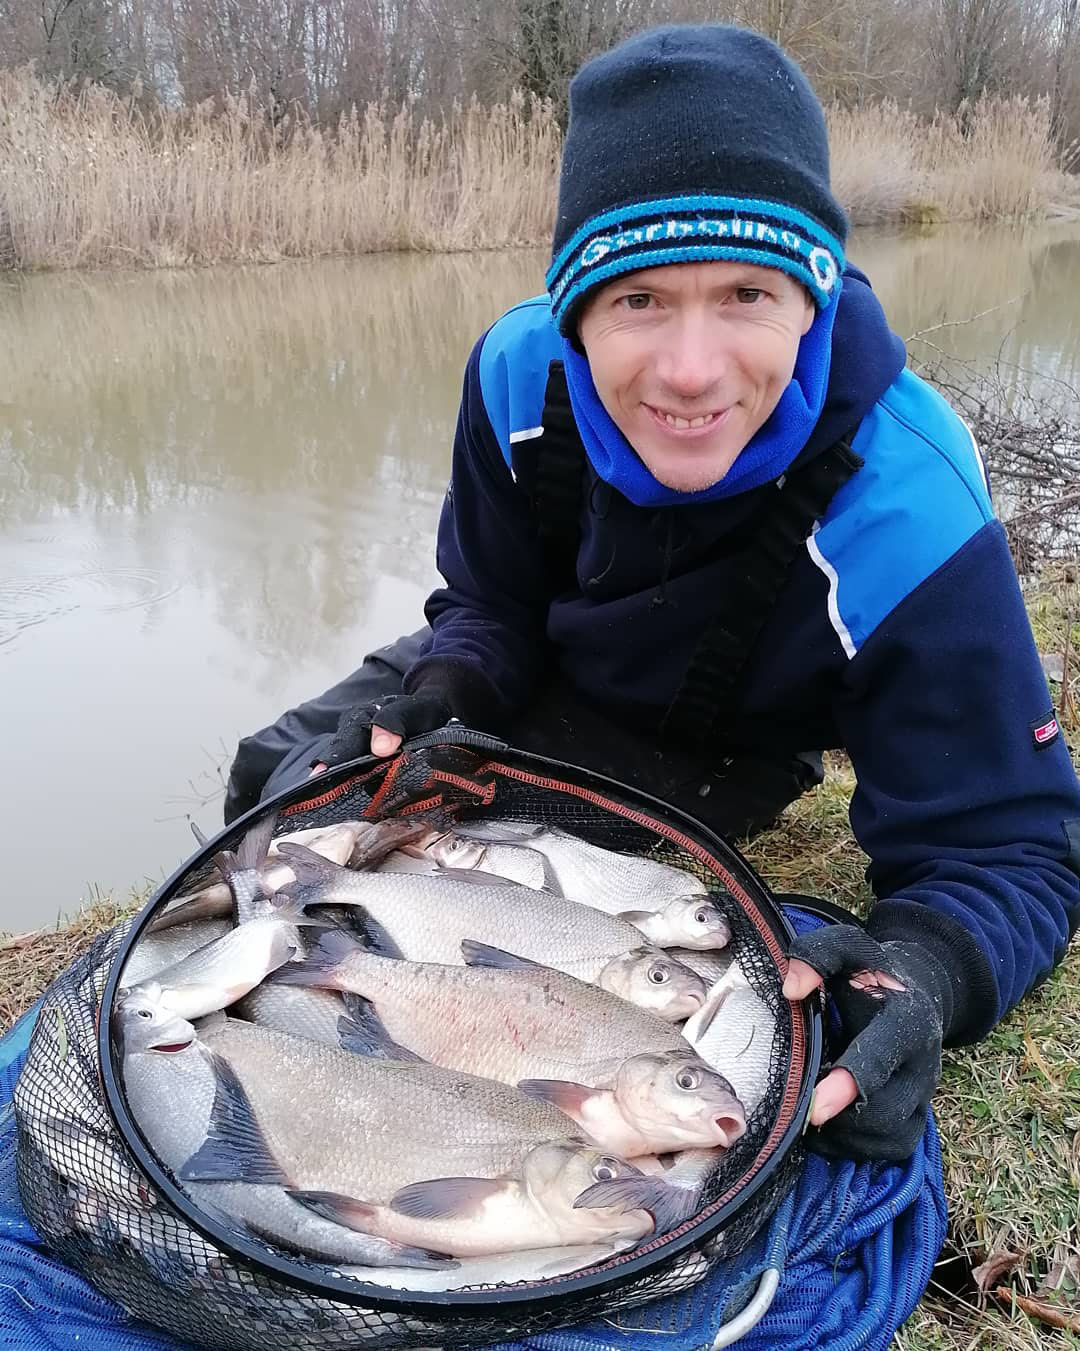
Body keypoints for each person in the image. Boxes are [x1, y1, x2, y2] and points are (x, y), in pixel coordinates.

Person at [224, 24, 1080, 1164]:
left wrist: (920, 970)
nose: (689, 369)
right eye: (637, 300)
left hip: (716, 739)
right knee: (280, 773)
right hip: (541, 665)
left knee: (462, 856)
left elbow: (1014, 846)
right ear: (575, 309)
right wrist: (454, 678)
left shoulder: (910, 508)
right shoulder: (515, 373)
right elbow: (487, 594)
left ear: (813, 297)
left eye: (745, 295)